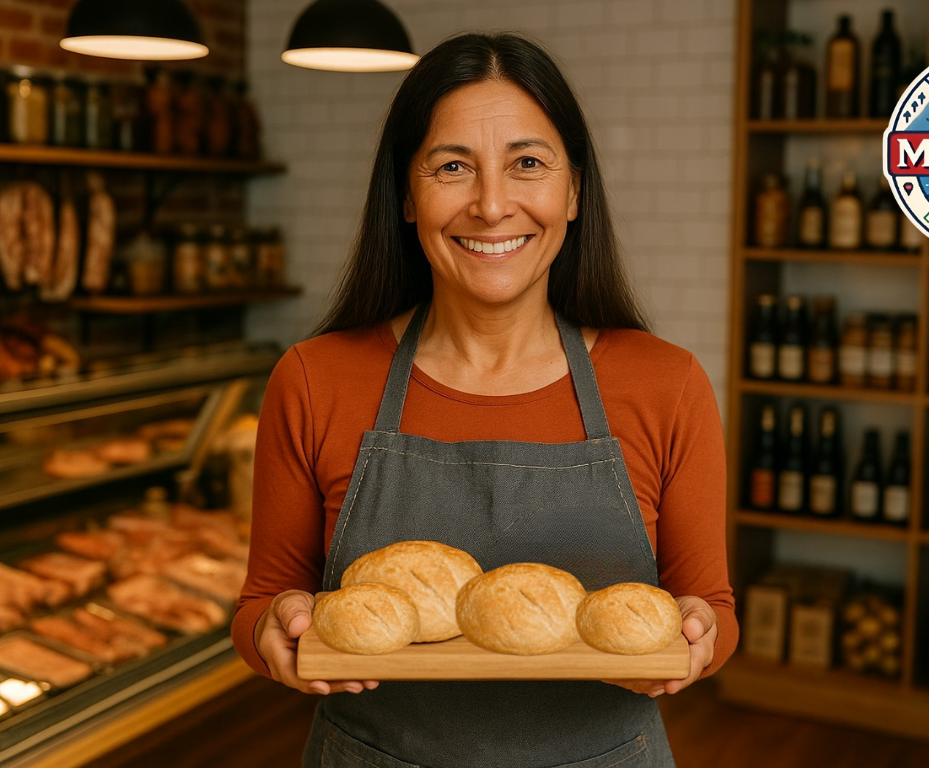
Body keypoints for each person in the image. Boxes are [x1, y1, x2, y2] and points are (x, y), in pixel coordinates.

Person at [232, 31, 737, 768]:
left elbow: (712, 611)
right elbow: (262, 604)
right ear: (406, 195)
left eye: (527, 164)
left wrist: (696, 638)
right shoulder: (314, 378)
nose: (492, 205)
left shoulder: (667, 384)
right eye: (452, 167)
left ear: (573, 191)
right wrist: (273, 632)